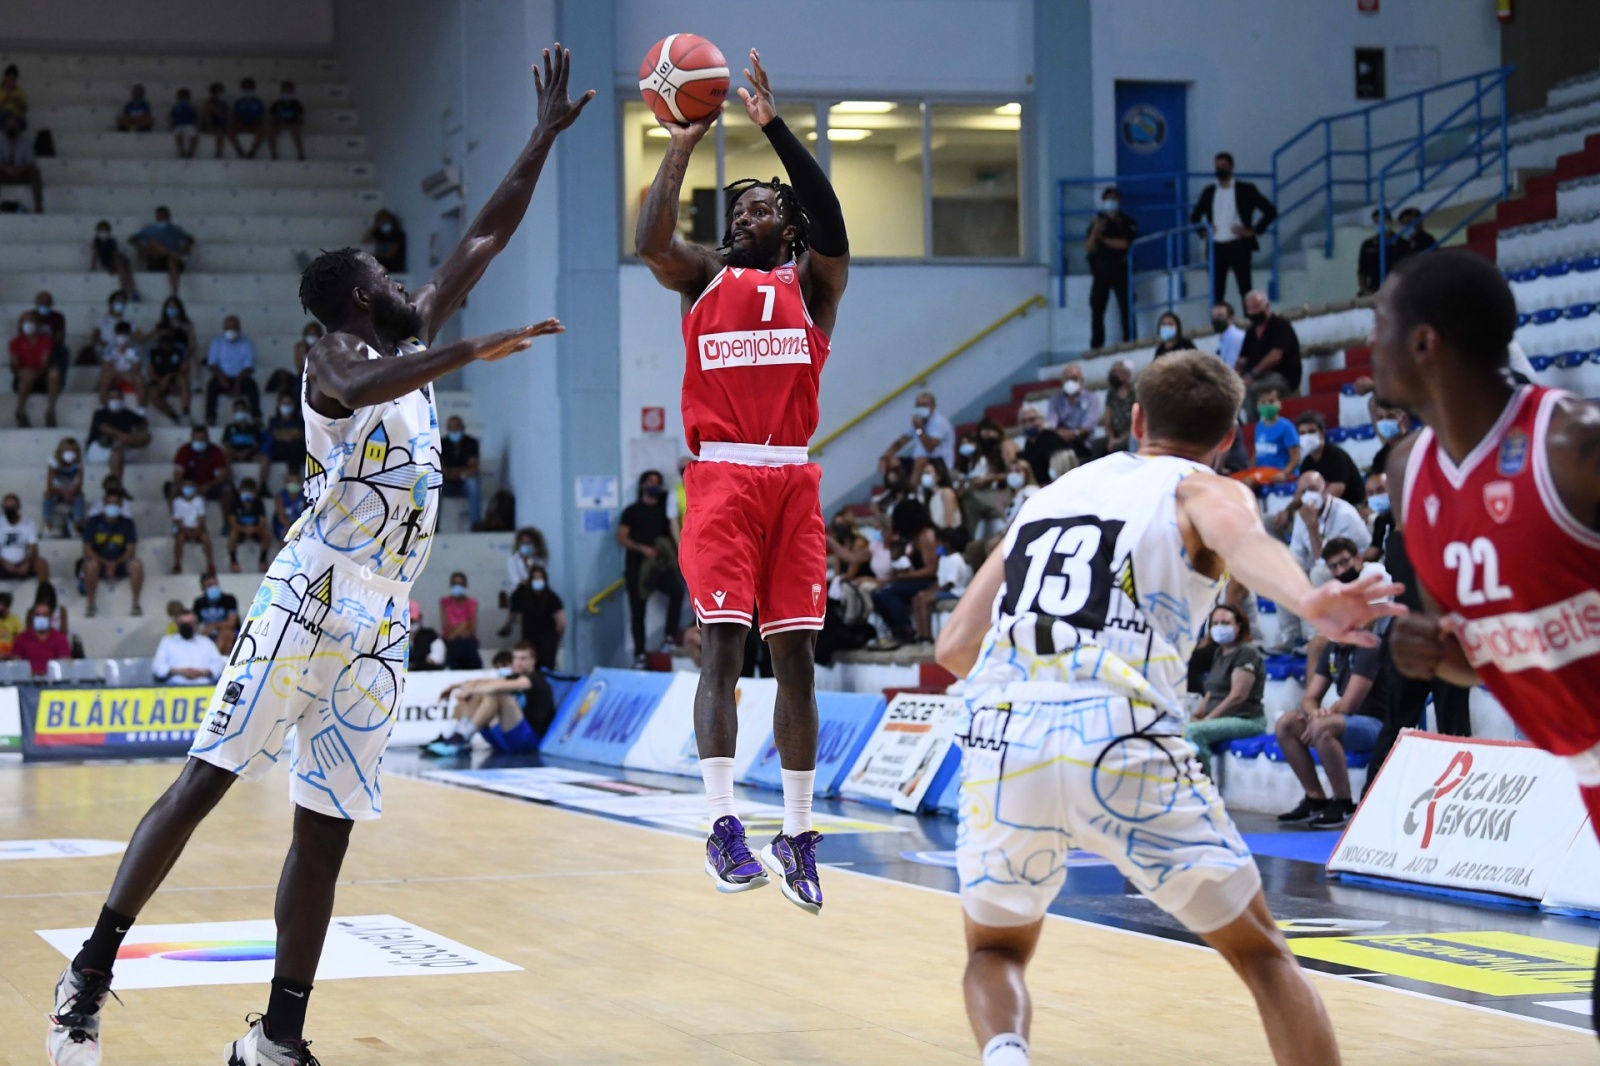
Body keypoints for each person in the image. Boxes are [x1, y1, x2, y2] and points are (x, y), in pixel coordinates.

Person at [44, 44, 588, 1066]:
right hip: (308, 592)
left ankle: (275, 1038)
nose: (402, 281)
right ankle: (91, 972)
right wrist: (476, 350)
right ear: (348, 299)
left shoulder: (404, 333)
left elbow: (482, 236)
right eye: (383, 276)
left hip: (383, 615)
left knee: (327, 826)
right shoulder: (329, 356)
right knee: (206, 781)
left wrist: (542, 138)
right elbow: (374, 386)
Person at [935, 350, 1401, 1066]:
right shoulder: (1198, 487)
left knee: (995, 948)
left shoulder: (1051, 496)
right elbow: (1239, 536)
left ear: (1135, 419)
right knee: (1264, 957)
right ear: (1227, 438)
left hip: (1004, 730)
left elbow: (955, 643)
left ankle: (1005, 1055)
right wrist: (1308, 600)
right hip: (1121, 730)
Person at [636, 48, 848, 911]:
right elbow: (650, 239)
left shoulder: (815, 287)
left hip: (792, 480)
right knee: (721, 647)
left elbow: (833, 219)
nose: (740, 220)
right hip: (721, 477)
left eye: (758, 210)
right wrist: (684, 140)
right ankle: (722, 822)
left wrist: (773, 128)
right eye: (734, 211)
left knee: (796, 659)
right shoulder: (702, 279)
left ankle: (796, 832)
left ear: (786, 230)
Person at [1376, 251, 1600, 1010]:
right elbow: (1481, 654)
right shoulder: (1411, 473)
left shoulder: (1573, 446)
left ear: (1424, 343)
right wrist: (1437, 654)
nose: (1365, 346)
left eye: (1379, 324)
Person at [1274, 543, 1390, 830]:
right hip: (1345, 720)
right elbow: (1311, 696)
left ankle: (1343, 802)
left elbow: (1350, 704)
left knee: (1323, 727)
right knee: (1287, 724)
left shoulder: (1367, 645)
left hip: (1378, 725)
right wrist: (1313, 712)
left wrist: (1321, 716)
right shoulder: (1332, 649)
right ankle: (1316, 798)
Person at [421, 643, 558, 758]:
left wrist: (472, 690)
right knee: (478, 689)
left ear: (533, 661)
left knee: (497, 693)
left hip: (528, 740)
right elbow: (484, 682)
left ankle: (459, 739)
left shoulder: (535, 679)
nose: (518, 662)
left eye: (523, 658)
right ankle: (452, 735)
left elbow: (508, 685)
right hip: (507, 737)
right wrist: (457, 686)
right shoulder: (513, 676)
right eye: (515, 658)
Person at [1183, 604, 1267, 776]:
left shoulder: (1247, 652)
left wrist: (1207, 720)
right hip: (1219, 718)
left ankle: (1204, 785)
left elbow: (1237, 696)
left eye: (1225, 623)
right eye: (1215, 623)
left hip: (1245, 719)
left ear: (1238, 626)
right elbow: (1211, 691)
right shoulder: (1219, 652)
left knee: (1195, 732)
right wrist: (1197, 715)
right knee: (1180, 727)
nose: (1220, 627)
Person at [1191, 152, 1277, 305]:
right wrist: (1203, 231)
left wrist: (1253, 231)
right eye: (1217, 166)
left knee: (1245, 289)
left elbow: (1270, 211)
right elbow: (1194, 217)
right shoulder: (1209, 192)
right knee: (1216, 291)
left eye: (1223, 166)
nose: (1220, 169)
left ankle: (1249, 323)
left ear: (1231, 167)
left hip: (1239, 245)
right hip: (1215, 247)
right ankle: (1218, 324)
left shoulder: (1246, 189)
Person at [616, 470, 683, 661]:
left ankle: (669, 636)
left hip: (660, 564)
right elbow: (622, 537)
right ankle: (639, 653)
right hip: (637, 566)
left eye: (657, 482)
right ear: (642, 485)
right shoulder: (632, 511)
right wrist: (641, 548)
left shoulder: (663, 511)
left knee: (677, 592)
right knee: (638, 610)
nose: (653, 485)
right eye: (649, 482)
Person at [871, 498, 940, 647]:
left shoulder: (926, 535)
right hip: (916, 578)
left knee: (888, 593)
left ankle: (907, 629)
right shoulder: (913, 538)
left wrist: (904, 576)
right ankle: (896, 631)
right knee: (877, 595)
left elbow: (931, 569)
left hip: (930, 581)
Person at [81, 487, 144, 617]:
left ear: (121, 505)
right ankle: (90, 604)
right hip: (99, 563)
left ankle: (136, 603)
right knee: (91, 565)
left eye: (116, 503)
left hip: (120, 563)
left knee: (137, 564)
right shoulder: (93, 522)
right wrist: (106, 562)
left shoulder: (128, 523)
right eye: (110, 503)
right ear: (104, 505)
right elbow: (87, 549)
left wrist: (115, 563)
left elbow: (130, 550)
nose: (113, 506)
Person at [1085, 186, 1135, 349]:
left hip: (1120, 269)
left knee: (1126, 306)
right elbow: (1088, 247)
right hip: (1100, 271)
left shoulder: (1126, 222)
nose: (1111, 203)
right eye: (1108, 200)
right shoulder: (1097, 221)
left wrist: (1103, 239)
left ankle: (1129, 340)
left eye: (1114, 199)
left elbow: (1124, 244)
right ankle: (1096, 345)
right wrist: (1096, 230)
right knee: (1097, 308)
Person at [1236, 290, 1302, 407]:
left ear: (1267, 306)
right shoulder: (1251, 332)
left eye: (1257, 307)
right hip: (1258, 376)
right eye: (1251, 309)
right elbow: (1243, 358)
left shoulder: (1280, 325)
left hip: (1282, 376)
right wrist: (1236, 378)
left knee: (1251, 390)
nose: (1255, 312)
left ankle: (1255, 424)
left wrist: (1253, 375)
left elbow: (1275, 356)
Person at [1291, 410, 1364, 506]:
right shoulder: (1307, 462)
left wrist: (1309, 508)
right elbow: (1300, 493)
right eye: (1302, 433)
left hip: (1350, 506)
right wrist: (1288, 511)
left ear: (1322, 433)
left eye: (1311, 431)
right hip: (1321, 509)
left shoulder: (1337, 457)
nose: (1307, 436)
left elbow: (1335, 492)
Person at [880, 391, 955, 477]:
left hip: (939, 465)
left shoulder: (939, 422)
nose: (921, 409)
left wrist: (919, 429)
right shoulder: (919, 421)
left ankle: (912, 487)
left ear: (933, 406)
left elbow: (929, 447)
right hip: (920, 463)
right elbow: (901, 441)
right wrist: (885, 457)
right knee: (891, 461)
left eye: (924, 405)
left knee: (920, 461)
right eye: (918, 406)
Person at [146, 297, 196, 423]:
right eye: (161, 333)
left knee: (183, 380)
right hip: (159, 380)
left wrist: (169, 377)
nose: (164, 335)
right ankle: (174, 417)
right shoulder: (153, 350)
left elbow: (184, 369)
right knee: (152, 393)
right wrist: (161, 380)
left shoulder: (180, 349)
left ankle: (186, 412)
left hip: (175, 377)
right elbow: (151, 372)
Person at [508, 563, 565, 670]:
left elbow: (561, 623)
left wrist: (555, 638)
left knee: (546, 669)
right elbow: (514, 609)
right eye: (535, 578)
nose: (538, 581)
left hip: (547, 640)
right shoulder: (523, 595)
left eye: (540, 578)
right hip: (529, 640)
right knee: (529, 669)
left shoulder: (551, 597)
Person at [10, 309, 61, 427]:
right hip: (24, 378)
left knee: (54, 373)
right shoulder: (15, 342)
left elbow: (45, 363)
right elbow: (14, 364)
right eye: (25, 321)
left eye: (31, 320)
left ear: (37, 324)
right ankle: (20, 411)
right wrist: (20, 372)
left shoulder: (45, 340)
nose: (28, 324)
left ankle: (50, 411)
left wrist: (35, 373)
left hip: (40, 376)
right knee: (26, 376)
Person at [205, 314, 260, 422]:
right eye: (228, 327)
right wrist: (222, 379)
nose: (231, 330)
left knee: (252, 386)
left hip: (240, 377)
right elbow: (212, 364)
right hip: (222, 377)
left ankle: (256, 416)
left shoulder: (247, 344)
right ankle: (210, 417)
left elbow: (248, 366)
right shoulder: (216, 343)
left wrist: (238, 383)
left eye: (233, 327)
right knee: (211, 386)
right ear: (224, 328)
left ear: (239, 328)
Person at [86, 395, 151, 483]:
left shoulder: (127, 413)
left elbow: (142, 422)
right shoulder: (100, 413)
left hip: (126, 445)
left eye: (118, 397)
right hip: (100, 448)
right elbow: (103, 427)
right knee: (118, 444)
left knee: (145, 436)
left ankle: (126, 441)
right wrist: (122, 435)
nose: (115, 400)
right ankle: (117, 485)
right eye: (112, 397)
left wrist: (137, 433)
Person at [1043, 363, 1100, 463]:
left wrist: (1075, 433)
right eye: (1067, 379)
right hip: (1060, 441)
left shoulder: (1091, 398)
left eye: (1074, 378)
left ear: (1081, 379)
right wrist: (1060, 433)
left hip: (1083, 441)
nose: (1070, 382)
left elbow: (1088, 424)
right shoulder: (1055, 400)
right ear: (1062, 381)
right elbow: (1051, 423)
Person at [131, 206, 194, 297]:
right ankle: (175, 254)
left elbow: (190, 239)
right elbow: (132, 239)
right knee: (152, 241)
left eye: (164, 215)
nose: (162, 217)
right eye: (160, 215)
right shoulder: (150, 229)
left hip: (173, 261)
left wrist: (186, 248)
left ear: (169, 216)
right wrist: (140, 247)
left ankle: (174, 291)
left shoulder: (175, 230)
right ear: (156, 216)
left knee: (172, 259)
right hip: (157, 260)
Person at [152, 610, 226, 686]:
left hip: (205, 688)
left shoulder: (206, 642)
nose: (186, 626)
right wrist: (180, 672)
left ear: (196, 624)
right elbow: (158, 667)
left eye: (190, 623)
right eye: (183, 624)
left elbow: (219, 665)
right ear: (177, 625)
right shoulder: (167, 642)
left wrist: (201, 672)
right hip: (174, 689)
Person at [172, 424, 232, 506]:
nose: (198, 442)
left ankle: (227, 518)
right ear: (191, 439)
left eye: (201, 439)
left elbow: (222, 476)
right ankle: (175, 517)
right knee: (173, 489)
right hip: (189, 485)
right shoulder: (184, 450)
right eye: (195, 439)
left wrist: (207, 486)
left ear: (207, 439)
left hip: (210, 486)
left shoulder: (216, 451)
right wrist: (193, 486)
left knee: (226, 489)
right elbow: (178, 476)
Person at [1247, 388, 1299, 481]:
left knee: (1249, 482)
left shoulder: (1286, 427)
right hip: (1260, 471)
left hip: (1277, 471)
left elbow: (1296, 457)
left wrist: (1284, 473)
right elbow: (1256, 452)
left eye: (1271, 401)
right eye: (1263, 402)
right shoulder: (1259, 426)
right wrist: (1249, 471)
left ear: (1279, 404)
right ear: (1257, 406)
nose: (1267, 405)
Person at [440, 414, 482, 526]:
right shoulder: (441, 444)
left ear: (463, 428)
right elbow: (440, 469)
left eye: (457, 428)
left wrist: (451, 472)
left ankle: (476, 523)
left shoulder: (471, 443)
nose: (455, 431)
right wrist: (462, 472)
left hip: (465, 484)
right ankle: (434, 526)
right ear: (448, 429)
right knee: (434, 485)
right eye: (452, 428)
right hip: (447, 484)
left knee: (473, 483)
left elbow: (473, 469)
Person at [0, 492, 48, 589]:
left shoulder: (28, 523)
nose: (9, 509)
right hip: (3, 564)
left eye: (12, 506)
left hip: (23, 563)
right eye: (7, 506)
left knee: (41, 564)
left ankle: (43, 596)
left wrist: (27, 563)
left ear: (18, 507)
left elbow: (34, 550)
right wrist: (5, 563)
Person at [170, 476, 216, 575]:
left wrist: (197, 531)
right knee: (180, 539)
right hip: (184, 529)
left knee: (206, 538)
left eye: (190, 486)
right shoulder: (177, 502)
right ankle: (177, 564)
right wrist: (186, 531)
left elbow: (201, 517)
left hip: (198, 528)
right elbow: (178, 520)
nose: (188, 488)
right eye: (186, 486)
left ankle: (210, 564)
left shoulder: (199, 500)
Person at [11, 601, 69, 677]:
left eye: (45, 615)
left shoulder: (60, 638)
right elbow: (15, 664)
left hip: (53, 683)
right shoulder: (22, 638)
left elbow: (65, 664)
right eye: (38, 615)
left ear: (50, 617)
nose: (41, 618)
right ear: (33, 617)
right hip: (27, 683)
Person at [97, 321, 146, 408]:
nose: (122, 337)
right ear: (116, 334)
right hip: (115, 374)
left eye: (125, 334)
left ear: (129, 335)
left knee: (140, 380)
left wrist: (124, 374)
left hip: (129, 374)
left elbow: (136, 368)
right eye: (120, 334)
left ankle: (141, 410)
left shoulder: (135, 349)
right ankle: (102, 407)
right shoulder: (110, 348)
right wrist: (117, 373)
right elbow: (106, 367)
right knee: (105, 378)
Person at [0, 112, 42, 213]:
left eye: (14, 124)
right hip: (4, 175)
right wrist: (5, 168)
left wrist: (20, 169)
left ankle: (38, 206)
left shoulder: (26, 142)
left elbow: (31, 163)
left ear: (18, 126)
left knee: (35, 173)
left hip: (21, 174)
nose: (11, 127)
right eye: (9, 124)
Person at [227, 477, 270, 573]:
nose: (247, 493)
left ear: (254, 492)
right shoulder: (235, 502)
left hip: (255, 529)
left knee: (266, 533)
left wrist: (254, 529)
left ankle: (263, 560)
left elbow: (262, 521)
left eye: (250, 491)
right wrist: (243, 529)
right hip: (240, 530)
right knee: (233, 534)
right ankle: (233, 561)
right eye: (245, 490)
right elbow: (232, 521)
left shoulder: (258, 503)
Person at [44, 438, 85, 538]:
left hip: (71, 490)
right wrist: (62, 491)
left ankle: (75, 528)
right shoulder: (53, 461)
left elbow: (79, 485)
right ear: (61, 450)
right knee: (47, 495)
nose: (70, 453)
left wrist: (72, 491)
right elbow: (50, 484)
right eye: (67, 450)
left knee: (80, 496)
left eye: (73, 450)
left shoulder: (79, 462)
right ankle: (48, 527)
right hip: (58, 490)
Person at [193, 572, 239, 653]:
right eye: (209, 585)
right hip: (207, 632)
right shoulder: (199, 602)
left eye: (215, 584)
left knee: (225, 633)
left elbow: (231, 622)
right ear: (203, 587)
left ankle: (216, 659)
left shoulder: (229, 599)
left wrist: (213, 626)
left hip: (226, 631)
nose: (213, 588)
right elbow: (195, 623)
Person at [89, 224, 137, 301]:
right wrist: (92, 267)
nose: (103, 232)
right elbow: (95, 254)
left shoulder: (112, 241)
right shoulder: (97, 241)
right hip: (108, 262)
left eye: (105, 230)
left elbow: (115, 253)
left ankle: (132, 290)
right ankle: (125, 290)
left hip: (115, 261)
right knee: (122, 267)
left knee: (127, 270)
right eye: (101, 230)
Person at [1356, 208, 1397, 296]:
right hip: (1373, 290)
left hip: (1396, 290)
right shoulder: (1368, 244)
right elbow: (1362, 271)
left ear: (1390, 221)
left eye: (1383, 221)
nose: (1380, 225)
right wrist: (1365, 291)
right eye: (1376, 222)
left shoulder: (1402, 243)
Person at [1100, 359, 1135, 455]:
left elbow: (1137, 421)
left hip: (1131, 434)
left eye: (1115, 372)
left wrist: (1119, 440)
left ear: (1126, 374)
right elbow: (1107, 422)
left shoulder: (1135, 393)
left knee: (1122, 444)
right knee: (1098, 445)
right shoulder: (1111, 394)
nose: (1112, 375)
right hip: (1115, 435)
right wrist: (1112, 438)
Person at [268, 80, 305, 161]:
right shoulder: (276, 104)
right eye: (285, 90)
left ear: (292, 91)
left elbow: (301, 117)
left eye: (289, 90)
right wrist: (276, 123)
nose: (287, 92)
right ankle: (273, 154)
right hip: (279, 124)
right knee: (271, 133)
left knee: (295, 131)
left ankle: (300, 153)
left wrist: (297, 123)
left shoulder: (296, 104)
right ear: (281, 91)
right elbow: (272, 117)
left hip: (292, 123)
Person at [229, 77, 266, 158]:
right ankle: (239, 150)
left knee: (262, 131)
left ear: (253, 89)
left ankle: (252, 151)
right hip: (241, 124)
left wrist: (256, 125)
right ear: (242, 89)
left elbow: (261, 117)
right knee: (230, 131)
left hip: (254, 125)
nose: (248, 90)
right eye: (246, 88)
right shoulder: (239, 102)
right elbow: (235, 116)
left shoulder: (258, 102)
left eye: (250, 88)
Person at [408, 602, 446, 672]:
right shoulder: (394, 638)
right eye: (408, 621)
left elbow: (437, 658)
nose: (410, 623)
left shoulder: (430, 636)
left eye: (412, 620)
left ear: (420, 617)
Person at [271, 473, 307, 542]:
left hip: (300, 524)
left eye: (295, 482)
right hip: (284, 524)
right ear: (286, 483)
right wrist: (292, 528)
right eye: (290, 482)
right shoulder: (280, 497)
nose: (293, 484)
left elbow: (306, 513)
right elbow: (281, 517)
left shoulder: (305, 496)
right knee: (287, 535)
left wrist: (299, 527)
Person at [200, 81, 229, 159]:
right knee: (209, 107)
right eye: (218, 92)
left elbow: (224, 116)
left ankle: (219, 153)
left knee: (220, 133)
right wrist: (209, 127)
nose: (220, 94)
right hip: (209, 125)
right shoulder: (208, 103)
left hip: (220, 125)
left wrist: (216, 110)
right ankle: (209, 128)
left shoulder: (223, 103)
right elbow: (206, 115)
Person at [170, 87, 199, 158]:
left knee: (194, 135)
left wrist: (195, 124)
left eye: (185, 96)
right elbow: (172, 116)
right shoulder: (176, 106)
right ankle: (182, 152)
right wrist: (172, 125)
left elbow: (195, 116)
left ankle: (191, 152)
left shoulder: (191, 106)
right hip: (179, 125)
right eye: (181, 96)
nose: (183, 98)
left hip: (189, 125)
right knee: (178, 135)